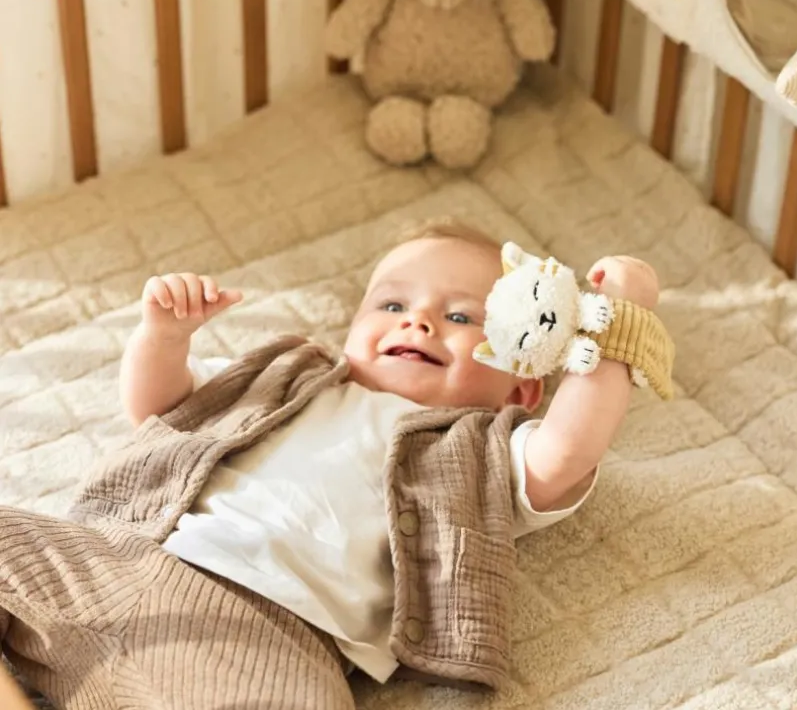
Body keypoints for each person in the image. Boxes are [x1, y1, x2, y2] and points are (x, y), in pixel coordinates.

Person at [0, 220, 667, 710]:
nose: (419, 322)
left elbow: (570, 449)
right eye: (393, 305)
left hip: (266, 635)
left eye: (463, 317)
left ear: (521, 391)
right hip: (125, 561)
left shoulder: (481, 449)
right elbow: (161, 410)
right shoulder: (289, 377)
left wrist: (622, 317)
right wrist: (165, 336)